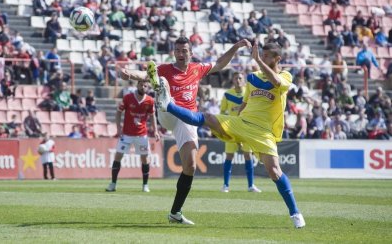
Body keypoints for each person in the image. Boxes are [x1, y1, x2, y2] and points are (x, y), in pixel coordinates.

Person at [154, 42, 306, 228]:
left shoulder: (285, 76)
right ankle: (168, 105)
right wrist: (236, 124)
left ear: (278, 59)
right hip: (241, 123)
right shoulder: (252, 78)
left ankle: (295, 213)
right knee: (207, 117)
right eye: (262, 55)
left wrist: (257, 60)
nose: (263, 58)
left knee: (274, 171)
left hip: (263, 132)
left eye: (267, 56)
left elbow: (276, 82)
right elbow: (245, 102)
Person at [119, 37, 252, 225]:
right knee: (162, 81)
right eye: (178, 50)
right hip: (167, 114)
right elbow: (143, 74)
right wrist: (129, 73)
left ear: (191, 53)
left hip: (186, 119)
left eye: (184, 51)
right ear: (174, 52)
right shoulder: (165, 69)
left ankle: (175, 212)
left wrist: (235, 47)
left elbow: (221, 63)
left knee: (190, 166)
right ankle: (163, 96)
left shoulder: (197, 69)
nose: (181, 54)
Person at [105, 81, 160, 193]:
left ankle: (145, 185)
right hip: (127, 134)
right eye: (141, 85)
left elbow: (152, 116)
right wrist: (118, 128)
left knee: (145, 159)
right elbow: (119, 112)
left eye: (145, 85)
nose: (143, 87)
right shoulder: (128, 97)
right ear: (137, 85)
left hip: (142, 134)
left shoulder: (149, 100)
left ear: (148, 87)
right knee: (118, 156)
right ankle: (113, 184)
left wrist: (156, 131)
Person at [219, 72, 261, 193]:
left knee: (248, 155)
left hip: (245, 128)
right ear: (232, 80)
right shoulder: (227, 94)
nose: (238, 80)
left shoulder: (248, 93)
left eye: (240, 78)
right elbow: (222, 112)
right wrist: (223, 128)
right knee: (229, 156)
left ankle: (251, 185)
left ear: (243, 81)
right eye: (236, 78)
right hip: (231, 129)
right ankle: (226, 185)